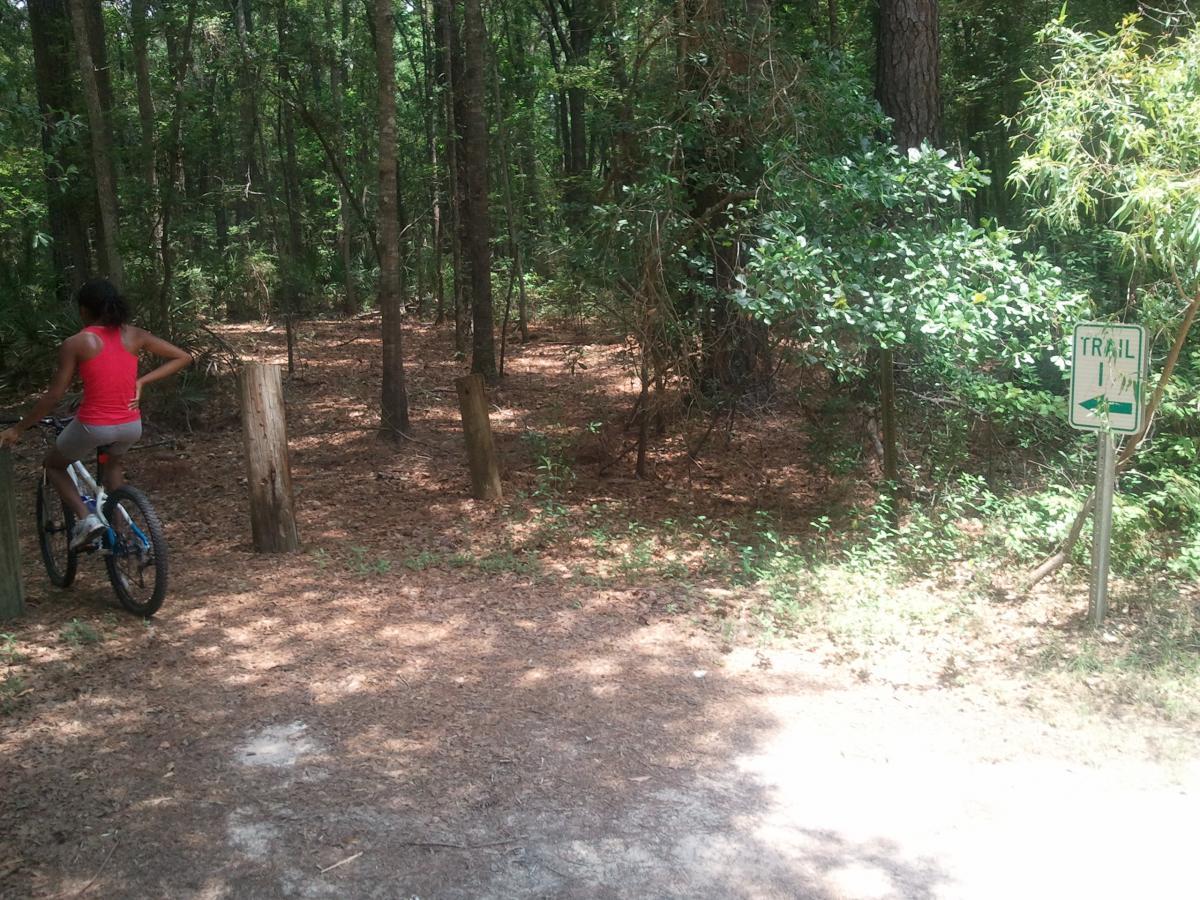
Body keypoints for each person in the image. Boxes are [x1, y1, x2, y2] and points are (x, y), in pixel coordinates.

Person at [0, 280, 191, 549]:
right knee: (112, 466)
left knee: (53, 465)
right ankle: (123, 536)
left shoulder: (76, 342)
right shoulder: (135, 335)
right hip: (131, 425)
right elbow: (183, 356)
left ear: (84, 311)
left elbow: (54, 396)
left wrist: (18, 429)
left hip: (94, 425)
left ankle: (86, 518)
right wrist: (141, 382)